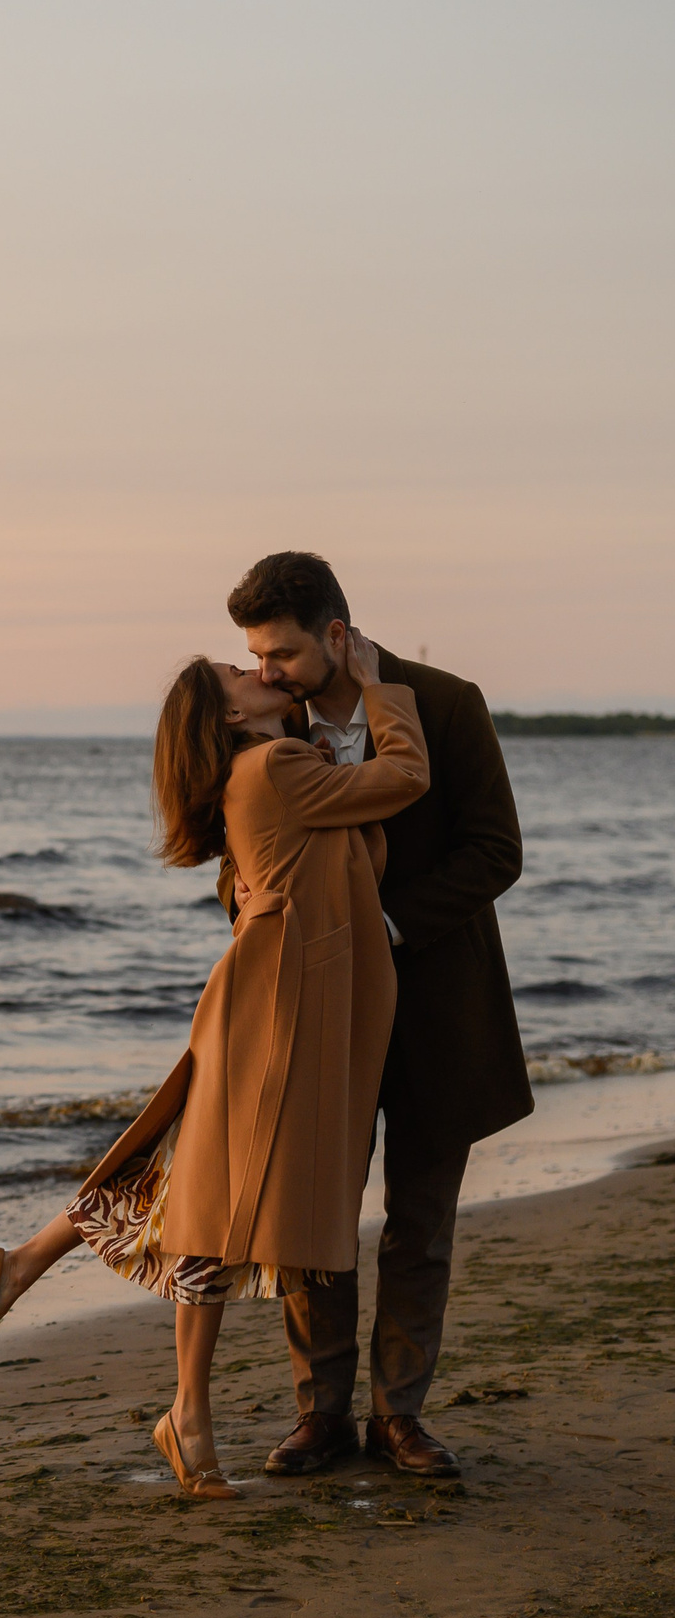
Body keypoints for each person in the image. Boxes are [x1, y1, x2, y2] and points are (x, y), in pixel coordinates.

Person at [0, 628, 428, 1497]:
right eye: (235, 671)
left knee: (191, 1187)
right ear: (226, 711)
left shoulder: (269, 769)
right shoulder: (269, 769)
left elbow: (357, 854)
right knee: (204, 1200)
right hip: (269, 1007)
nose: (252, 671)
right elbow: (403, 778)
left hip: (277, 999)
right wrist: (376, 688)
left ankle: (28, 1267)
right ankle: (182, 1413)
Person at [222, 552, 531, 1479]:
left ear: (338, 636)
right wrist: (249, 915)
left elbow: (495, 851)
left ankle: (399, 1416)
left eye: (278, 654)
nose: (264, 672)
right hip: (315, 1011)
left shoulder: (445, 701)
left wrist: (382, 927)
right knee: (312, 1219)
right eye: (254, 656)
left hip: (438, 1005)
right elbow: (243, 856)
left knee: (419, 1222)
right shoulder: (262, 724)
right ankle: (320, 1415)